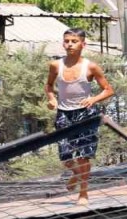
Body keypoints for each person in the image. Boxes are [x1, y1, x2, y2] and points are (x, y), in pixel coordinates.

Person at [45, 28, 114, 206]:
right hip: (64, 113)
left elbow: (108, 90)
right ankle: (76, 174)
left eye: (74, 41)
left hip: (85, 114)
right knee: (66, 156)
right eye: (67, 41)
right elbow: (49, 86)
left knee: (84, 156)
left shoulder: (90, 67)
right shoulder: (56, 65)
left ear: (83, 44)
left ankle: (83, 193)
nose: (70, 44)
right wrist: (52, 99)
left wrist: (94, 99)